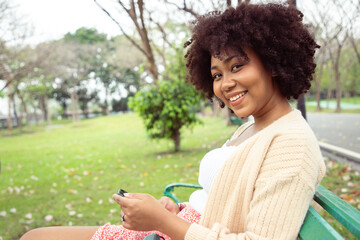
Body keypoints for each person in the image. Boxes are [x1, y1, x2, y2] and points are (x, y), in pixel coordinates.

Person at [20, 2, 326, 240]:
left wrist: (163, 221)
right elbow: (220, 201)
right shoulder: (254, 127)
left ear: (273, 63)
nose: (225, 83)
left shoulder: (292, 144)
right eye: (217, 74)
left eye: (237, 66)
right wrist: (176, 210)